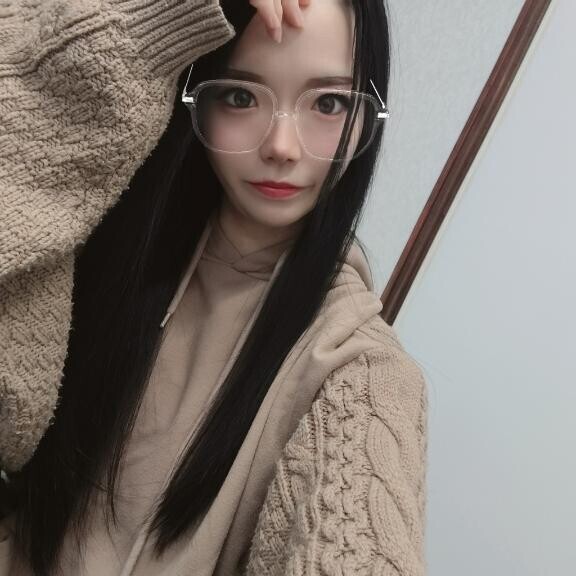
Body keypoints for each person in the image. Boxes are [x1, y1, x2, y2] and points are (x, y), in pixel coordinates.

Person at [0, 0, 428, 574]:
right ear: (195, 96)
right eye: (240, 96)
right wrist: (175, 15)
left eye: (329, 103)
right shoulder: (93, 241)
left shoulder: (358, 368)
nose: (281, 146)